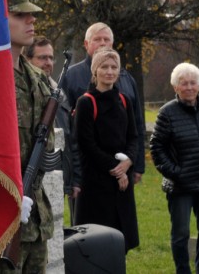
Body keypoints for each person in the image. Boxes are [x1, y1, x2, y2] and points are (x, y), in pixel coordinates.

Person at [0, 0, 51, 274]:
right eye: (19, 15)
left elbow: (47, 147)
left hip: (35, 219)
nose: (31, 21)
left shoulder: (37, 78)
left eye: (31, 14)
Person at [150, 63, 199, 274]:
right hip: (180, 185)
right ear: (176, 87)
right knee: (181, 234)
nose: (189, 87)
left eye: (193, 83)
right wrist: (175, 173)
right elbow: (156, 148)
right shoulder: (167, 112)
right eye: (184, 83)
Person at [59, 22, 146, 186]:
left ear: (112, 44)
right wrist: (73, 173)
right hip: (87, 170)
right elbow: (65, 127)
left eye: (106, 40)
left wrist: (137, 164)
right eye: (97, 39)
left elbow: (137, 125)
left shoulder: (127, 78)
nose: (102, 43)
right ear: (86, 44)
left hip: (124, 167)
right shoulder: (71, 77)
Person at [72, 47, 139, 252]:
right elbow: (87, 145)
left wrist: (128, 162)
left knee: (120, 241)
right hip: (97, 182)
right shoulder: (86, 102)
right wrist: (117, 170)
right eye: (104, 67)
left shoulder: (125, 101)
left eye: (114, 67)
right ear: (95, 71)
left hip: (122, 183)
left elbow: (133, 137)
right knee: (96, 243)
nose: (109, 71)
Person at [24, 36, 81, 224]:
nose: (48, 62)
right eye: (42, 57)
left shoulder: (60, 94)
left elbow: (70, 138)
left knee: (54, 228)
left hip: (57, 176)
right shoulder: (24, 93)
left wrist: (74, 179)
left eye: (50, 57)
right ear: (28, 59)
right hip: (31, 177)